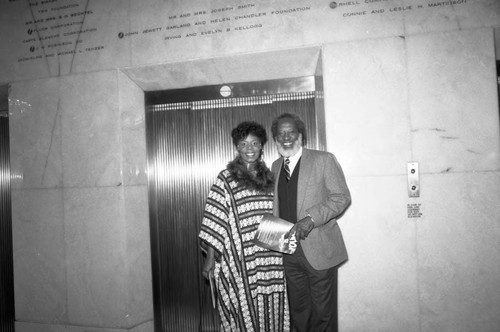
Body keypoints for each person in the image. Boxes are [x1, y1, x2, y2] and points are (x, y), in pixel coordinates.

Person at [199, 121, 290, 332]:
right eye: (243, 144)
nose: (249, 149)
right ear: (237, 148)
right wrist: (210, 258)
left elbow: (282, 213)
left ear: (261, 146)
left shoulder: (272, 177)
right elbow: (215, 220)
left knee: (273, 307)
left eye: (255, 143)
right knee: (242, 310)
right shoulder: (226, 179)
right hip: (240, 260)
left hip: (272, 257)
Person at [270, 113, 351, 332]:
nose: (286, 137)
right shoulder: (276, 166)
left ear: (301, 135)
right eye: (281, 133)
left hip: (319, 250)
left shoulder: (323, 159)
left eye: (291, 132)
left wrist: (311, 219)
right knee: (298, 314)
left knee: (323, 316)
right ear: (275, 138)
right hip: (289, 253)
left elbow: (341, 198)